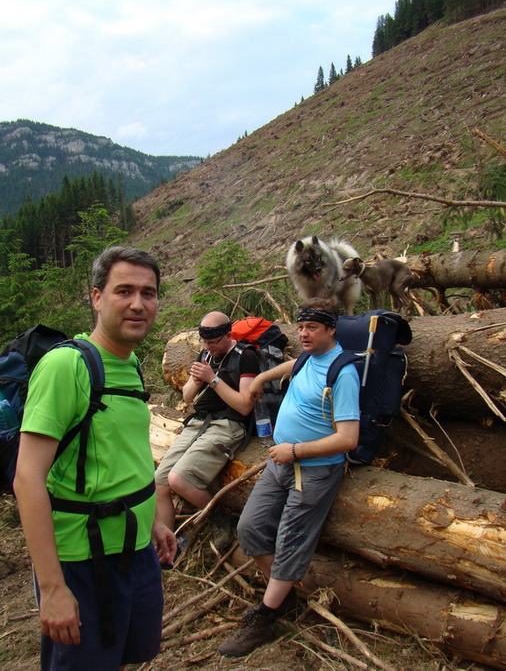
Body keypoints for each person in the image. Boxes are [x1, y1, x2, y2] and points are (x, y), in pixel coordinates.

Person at [14, 246, 177, 671]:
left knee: (125, 655)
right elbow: (27, 479)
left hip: (137, 550)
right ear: (96, 297)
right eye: (124, 290)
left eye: (149, 292)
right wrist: (52, 588)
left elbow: (126, 450)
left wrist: (155, 520)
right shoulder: (66, 367)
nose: (139, 303)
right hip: (84, 562)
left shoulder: (130, 361)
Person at [217, 298, 360, 657]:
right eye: (300, 327)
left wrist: (294, 451)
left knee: (291, 541)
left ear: (330, 329)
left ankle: (265, 617)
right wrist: (262, 378)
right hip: (279, 462)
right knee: (249, 528)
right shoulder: (310, 358)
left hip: (313, 471)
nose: (303, 333)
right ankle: (285, 594)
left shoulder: (342, 372)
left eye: (312, 327)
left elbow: (348, 438)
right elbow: (294, 363)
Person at [155, 312, 260, 550]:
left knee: (178, 479)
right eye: (205, 342)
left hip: (229, 424)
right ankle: (166, 545)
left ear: (228, 334)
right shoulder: (206, 354)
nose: (208, 347)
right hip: (198, 421)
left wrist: (213, 380)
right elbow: (187, 397)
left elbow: (245, 405)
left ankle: (218, 517)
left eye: (213, 342)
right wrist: (196, 380)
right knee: (160, 483)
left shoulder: (247, 357)